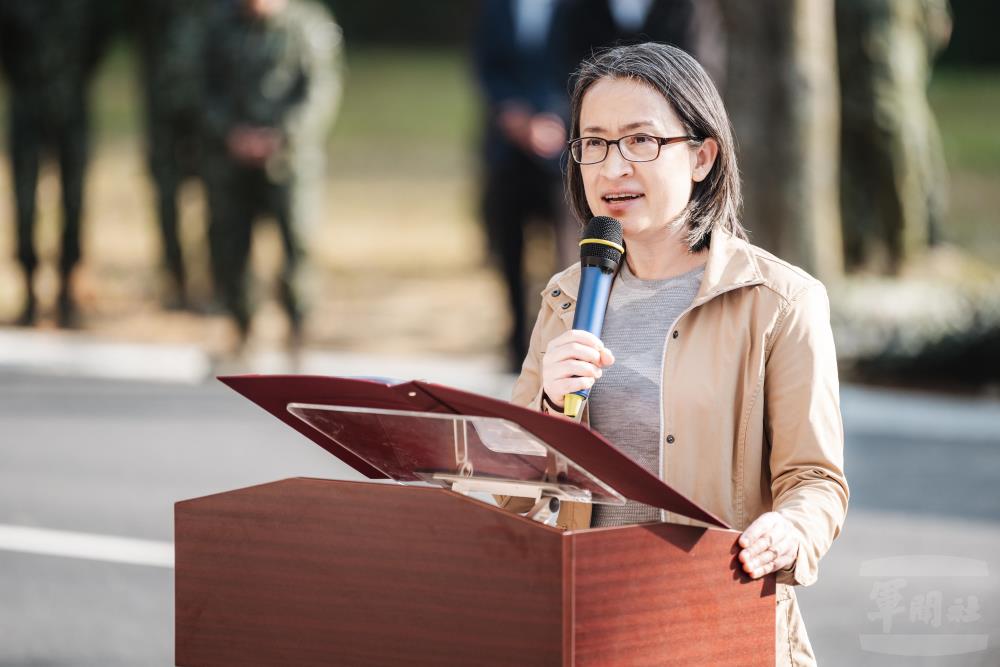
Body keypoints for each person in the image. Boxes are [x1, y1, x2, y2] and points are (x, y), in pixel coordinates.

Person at [497, 43, 848, 665]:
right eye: (594, 143)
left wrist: (793, 531)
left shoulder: (780, 302)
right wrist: (549, 407)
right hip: (585, 626)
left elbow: (815, 480)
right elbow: (510, 494)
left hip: (716, 624)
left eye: (640, 141)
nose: (612, 168)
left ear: (702, 156)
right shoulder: (565, 298)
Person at [200, 0, 341, 345]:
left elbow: (320, 91)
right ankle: (239, 322)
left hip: (290, 160)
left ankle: (298, 325)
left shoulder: (307, 26)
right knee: (230, 242)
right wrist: (230, 133)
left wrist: (282, 135)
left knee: (297, 242)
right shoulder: (219, 25)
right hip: (230, 157)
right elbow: (202, 87)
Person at [473, 0, 579, 371]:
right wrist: (514, 117)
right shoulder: (495, 7)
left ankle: (562, 342)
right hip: (506, 152)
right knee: (508, 251)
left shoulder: (580, 7)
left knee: (566, 254)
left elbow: (585, 61)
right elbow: (485, 66)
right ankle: (516, 345)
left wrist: (558, 117)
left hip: (562, 150)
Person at [0, 0, 110, 327]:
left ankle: (66, 287)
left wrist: (76, 78)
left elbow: (99, 37)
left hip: (72, 104)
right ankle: (29, 288)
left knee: (73, 199)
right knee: (24, 198)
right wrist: (22, 80)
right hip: (27, 105)